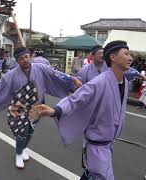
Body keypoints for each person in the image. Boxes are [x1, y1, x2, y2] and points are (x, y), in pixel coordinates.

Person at [30, 40, 133, 180]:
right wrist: (56, 110)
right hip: (97, 143)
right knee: (102, 177)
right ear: (113, 58)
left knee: (93, 175)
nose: (130, 58)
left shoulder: (124, 82)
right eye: (126, 54)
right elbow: (77, 98)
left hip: (109, 141)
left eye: (129, 54)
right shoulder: (99, 81)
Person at [0, 47, 82, 169]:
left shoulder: (40, 68)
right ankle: (18, 154)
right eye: (21, 58)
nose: (25, 60)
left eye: (26, 57)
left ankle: (23, 148)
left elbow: (55, 73)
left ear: (30, 56)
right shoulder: (11, 74)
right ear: (17, 60)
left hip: (37, 105)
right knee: (22, 131)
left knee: (31, 130)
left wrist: (71, 78)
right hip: (20, 106)